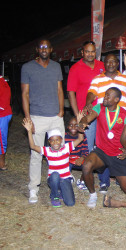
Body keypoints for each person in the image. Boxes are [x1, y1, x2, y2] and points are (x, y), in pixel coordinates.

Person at [85, 53, 126, 193]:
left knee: (121, 148)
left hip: (122, 120)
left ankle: (122, 173)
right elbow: (91, 92)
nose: (111, 64)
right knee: (101, 147)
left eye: (114, 61)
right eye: (108, 62)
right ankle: (104, 181)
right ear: (104, 64)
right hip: (102, 117)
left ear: (117, 63)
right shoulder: (98, 78)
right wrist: (88, 103)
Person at [21, 39, 65, 204]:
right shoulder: (28, 68)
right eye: (41, 47)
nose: (44, 49)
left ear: (51, 49)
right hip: (37, 117)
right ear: (37, 49)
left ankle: (60, 183)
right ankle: (34, 188)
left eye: (47, 47)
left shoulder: (56, 66)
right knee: (36, 154)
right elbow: (25, 93)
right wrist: (28, 118)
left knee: (59, 151)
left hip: (55, 117)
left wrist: (61, 110)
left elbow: (59, 89)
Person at [79, 87, 126, 208]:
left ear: (117, 99)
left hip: (117, 154)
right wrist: (82, 123)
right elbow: (88, 118)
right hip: (101, 152)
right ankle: (92, 195)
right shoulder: (99, 108)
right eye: (105, 95)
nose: (105, 98)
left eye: (108, 96)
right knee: (86, 166)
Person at [66, 41, 108, 192]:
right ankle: (86, 177)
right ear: (82, 52)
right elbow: (71, 92)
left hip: (104, 112)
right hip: (86, 115)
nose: (90, 54)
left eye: (92, 51)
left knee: (104, 146)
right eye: (87, 51)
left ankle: (104, 180)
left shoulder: (102, 65)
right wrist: (77, 113)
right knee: (89, 147)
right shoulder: (75, 68)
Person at [22, 117, 84, 207]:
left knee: (70, 203)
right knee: (55, 175)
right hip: (53, 180)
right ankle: (54, 196)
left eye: (57, 140)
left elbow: (80, 139)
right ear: (49, 142)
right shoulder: (46, 151)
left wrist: (80, 123)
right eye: (52, 140)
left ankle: (61, 192)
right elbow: (32, 146)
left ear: (61, 140)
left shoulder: (67, 148)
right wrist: (29, 131)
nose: (55, 142)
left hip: (65, 179)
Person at [65, 116, 89, 190]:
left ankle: (82, 181)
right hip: (68, 159)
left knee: (88, 164)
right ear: (67, 126)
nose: (73, 127)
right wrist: (68, 158)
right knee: (65, 165)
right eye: (71, 125)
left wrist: (82, 158)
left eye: (76, 125)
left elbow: (85, 150)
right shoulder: (64, 136)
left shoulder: (83, 136)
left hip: (78, 159)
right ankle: (67, 177)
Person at [0, 75, 12, 171]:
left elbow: (3, 102)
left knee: (1, 138)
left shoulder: (2, 83)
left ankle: (1, 162)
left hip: (2, 114)